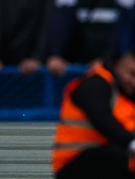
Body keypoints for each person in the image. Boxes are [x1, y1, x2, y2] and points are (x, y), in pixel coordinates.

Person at [52, 49, 135, 179]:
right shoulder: (94, 83)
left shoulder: (125, 92)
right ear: (119, 66)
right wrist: (131, 142)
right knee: (114, 155)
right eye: (132, 74)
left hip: (111, 162)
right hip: (74, 164)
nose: (134, 82)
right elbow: (101, 118)